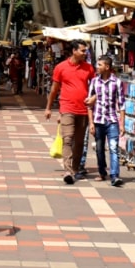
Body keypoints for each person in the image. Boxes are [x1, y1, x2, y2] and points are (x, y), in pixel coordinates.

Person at [44, 40, 94, 184]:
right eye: (83, 51)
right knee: (68, 139)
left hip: (83, 110)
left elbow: (96, 87)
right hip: (67, 108)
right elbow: (54, 89)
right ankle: (68, 170)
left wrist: (94, 98)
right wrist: (48, 108)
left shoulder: (88, 68)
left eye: (86, 51)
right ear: (74, 51)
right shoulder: (61, 68)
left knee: (79, 143)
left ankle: (76, 168)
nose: (85, 53)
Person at [88, 54, 126, 187]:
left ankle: (114, 175)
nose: (97, 67)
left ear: (107, 67)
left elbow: (122, 104)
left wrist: (122, 123)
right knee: (99, 149)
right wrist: (91, 122)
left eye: (99, 65)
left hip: (112, 121)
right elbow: (89, 104)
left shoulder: (117, 82)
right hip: (98, 121)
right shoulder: (94, 82)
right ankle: (102, 171)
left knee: (113, 148)